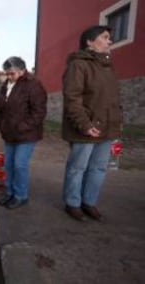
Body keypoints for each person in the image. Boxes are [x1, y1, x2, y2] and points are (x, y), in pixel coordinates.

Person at [61, 25, 123, 221]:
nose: (109, 41)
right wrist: (85, 125)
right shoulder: (78, 65)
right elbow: (72, 98)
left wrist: (116, 122)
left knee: (99, 168)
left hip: (107, 128)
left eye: (109, 38)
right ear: (89, 41)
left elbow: (111, 99)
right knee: (78, 168)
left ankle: (89, 202)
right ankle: (72, 203)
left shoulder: (107, 66)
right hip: (86, 128)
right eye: (105, 37)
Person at [0, 56, 47, 209]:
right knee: (9, 164)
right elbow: (0, 108)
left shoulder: (34, 85)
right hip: (9, 133)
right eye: (7, 73)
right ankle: (10, 192)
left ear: (22, 71)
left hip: (26, 134)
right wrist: (0, 124)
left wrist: (22, 126)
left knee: (19, 164)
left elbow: (39, 112)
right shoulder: (5, 85)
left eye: (12, 73)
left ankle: (20, 196)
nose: (9, 76)